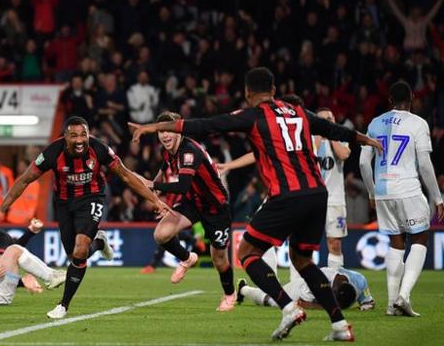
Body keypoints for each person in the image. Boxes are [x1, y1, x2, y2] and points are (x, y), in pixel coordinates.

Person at [130, 67, 383, 341]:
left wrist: (153, 127)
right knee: (303, 261)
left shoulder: (253, 115)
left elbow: (204, 125)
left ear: (247, 93)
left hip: (287, 194)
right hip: (317, 194)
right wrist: (363, 139)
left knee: (247, 252)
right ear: (274, 90)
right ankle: (339, 326)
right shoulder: (297, 112)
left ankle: (288, 308)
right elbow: (332, 129)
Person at [0, 116, 171, 319]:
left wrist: (155, 200)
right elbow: (24, 180)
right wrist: (1, 210)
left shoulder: (99, 149)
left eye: (83, 134)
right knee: (74, 256)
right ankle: (99, 243)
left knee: (81, 248)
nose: (80, 140)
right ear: (65, 137)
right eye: (74, 136)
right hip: (64, 204)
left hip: (92, 198)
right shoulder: (52, 153)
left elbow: (125, 175)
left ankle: (63, 305)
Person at [134, 112, 236, 312]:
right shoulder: (167, 152)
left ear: (179, 130)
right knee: (160, 234)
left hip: (216, 207)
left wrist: (152, 184)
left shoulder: (189, 151)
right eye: (161, 131)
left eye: (169, 130)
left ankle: (229, 294)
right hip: (193, 202)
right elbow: (164, 170)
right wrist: (153, 190)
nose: (165, 135)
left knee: (219, 259)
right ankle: (187, 258)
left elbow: (182, 186)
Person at [359, 81, 444, 317]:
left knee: (396, 243)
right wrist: (437, 197)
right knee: (420, 238)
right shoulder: (418, 123)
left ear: (389, 101)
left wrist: (371, 192)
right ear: (412, 99)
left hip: (383, 192)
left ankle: (390, 305)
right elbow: (425, 165)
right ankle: (404, 296)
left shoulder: (375, 123)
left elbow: (364, 162)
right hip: (408, 188)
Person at [237, 267, 375, 312]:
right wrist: (324, 306)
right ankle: (243, 288)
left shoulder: (360, 281)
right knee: (273, 300)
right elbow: (303, 303)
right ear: (332, 290)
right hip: (299, 288)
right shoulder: (319, 278)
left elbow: (369, 303)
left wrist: (366, 305)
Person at [314, 108, 351, 268]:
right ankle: (300, 287)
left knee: (335, 243)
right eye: (323, 119)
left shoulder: (341, 137)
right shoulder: (309, 138)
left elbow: (343, 154)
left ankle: (336, 284)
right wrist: (320, 134)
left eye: (330, 118)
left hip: (334, 199)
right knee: (304, 245)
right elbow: (310, 155)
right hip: (312, 199)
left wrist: (331, 134)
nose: (327, 121)